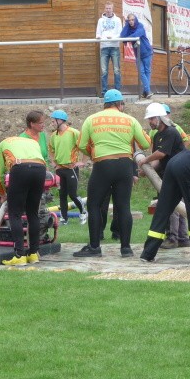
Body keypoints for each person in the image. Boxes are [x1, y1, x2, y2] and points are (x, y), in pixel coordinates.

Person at [73, 89, 150, 258]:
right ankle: (126, 248)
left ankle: (94, 247)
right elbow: (144, 143)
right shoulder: (130, 120)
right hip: (124, 165)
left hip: (103, 164)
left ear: (105, 104)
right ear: (119, 104)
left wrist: (93, 154)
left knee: (93, 205)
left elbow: (81, 144)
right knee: (123, 207)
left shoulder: (91, 119)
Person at [138, 103, 188, 249]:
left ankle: (173, 239)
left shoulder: (171, 132)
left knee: (171, 206)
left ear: (160, 118)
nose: (150, 122)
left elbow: (161, 153)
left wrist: (144, 161)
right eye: (149, 119)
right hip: (168, 174)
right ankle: (182, 238)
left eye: (152, 118)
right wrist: (146, 171)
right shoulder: (159, 135)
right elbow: (159, 161)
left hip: (176, 175)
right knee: (180, 206)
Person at [0, 134, 47, 266]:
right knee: (33, 212)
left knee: (15, 213)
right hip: (41, 169)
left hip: (20, 168)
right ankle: (33, 253)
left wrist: (2, 194)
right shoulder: (32, 142)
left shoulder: (2, 144)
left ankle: (19, 255)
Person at [49, 109, 86, 225]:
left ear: (60, 120)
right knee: (62, 195)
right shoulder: (53, 135)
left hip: (71, 168)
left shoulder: (74, 133)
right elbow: (51, 150)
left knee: (73, 194)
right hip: (60, 169)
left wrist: (83, 162)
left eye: (53, 121)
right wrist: (54, 162)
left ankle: (83, 212)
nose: (52, 123)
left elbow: (85, 146)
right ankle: (64, 218)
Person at [120, 13, 154, 99]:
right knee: (141, 72)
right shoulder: (128, 28)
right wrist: (126, 25)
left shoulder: (140, 26)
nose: (131, 22)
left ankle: (146, 91)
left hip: (147, 52)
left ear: (135, 20)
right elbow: (122, 36)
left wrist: (128, 38)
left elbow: (137, 35)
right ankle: (147, 91)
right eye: (129, 20)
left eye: (132, 20)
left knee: (147, 72)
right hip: (138, 54)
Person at [96, 1, 123, 95]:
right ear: (105, 9)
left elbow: (120, 34)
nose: (108, 10)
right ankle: (104, 92)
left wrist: (113, 38)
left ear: (112, 9)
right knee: (104, 70)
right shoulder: (100, 20)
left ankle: (118, 91)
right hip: (104, 47)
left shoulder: (118, 20)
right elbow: (98, 33)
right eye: (107, 8)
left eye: (110, 8)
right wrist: (99, 37)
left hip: (114, 46)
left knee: (116, 70)